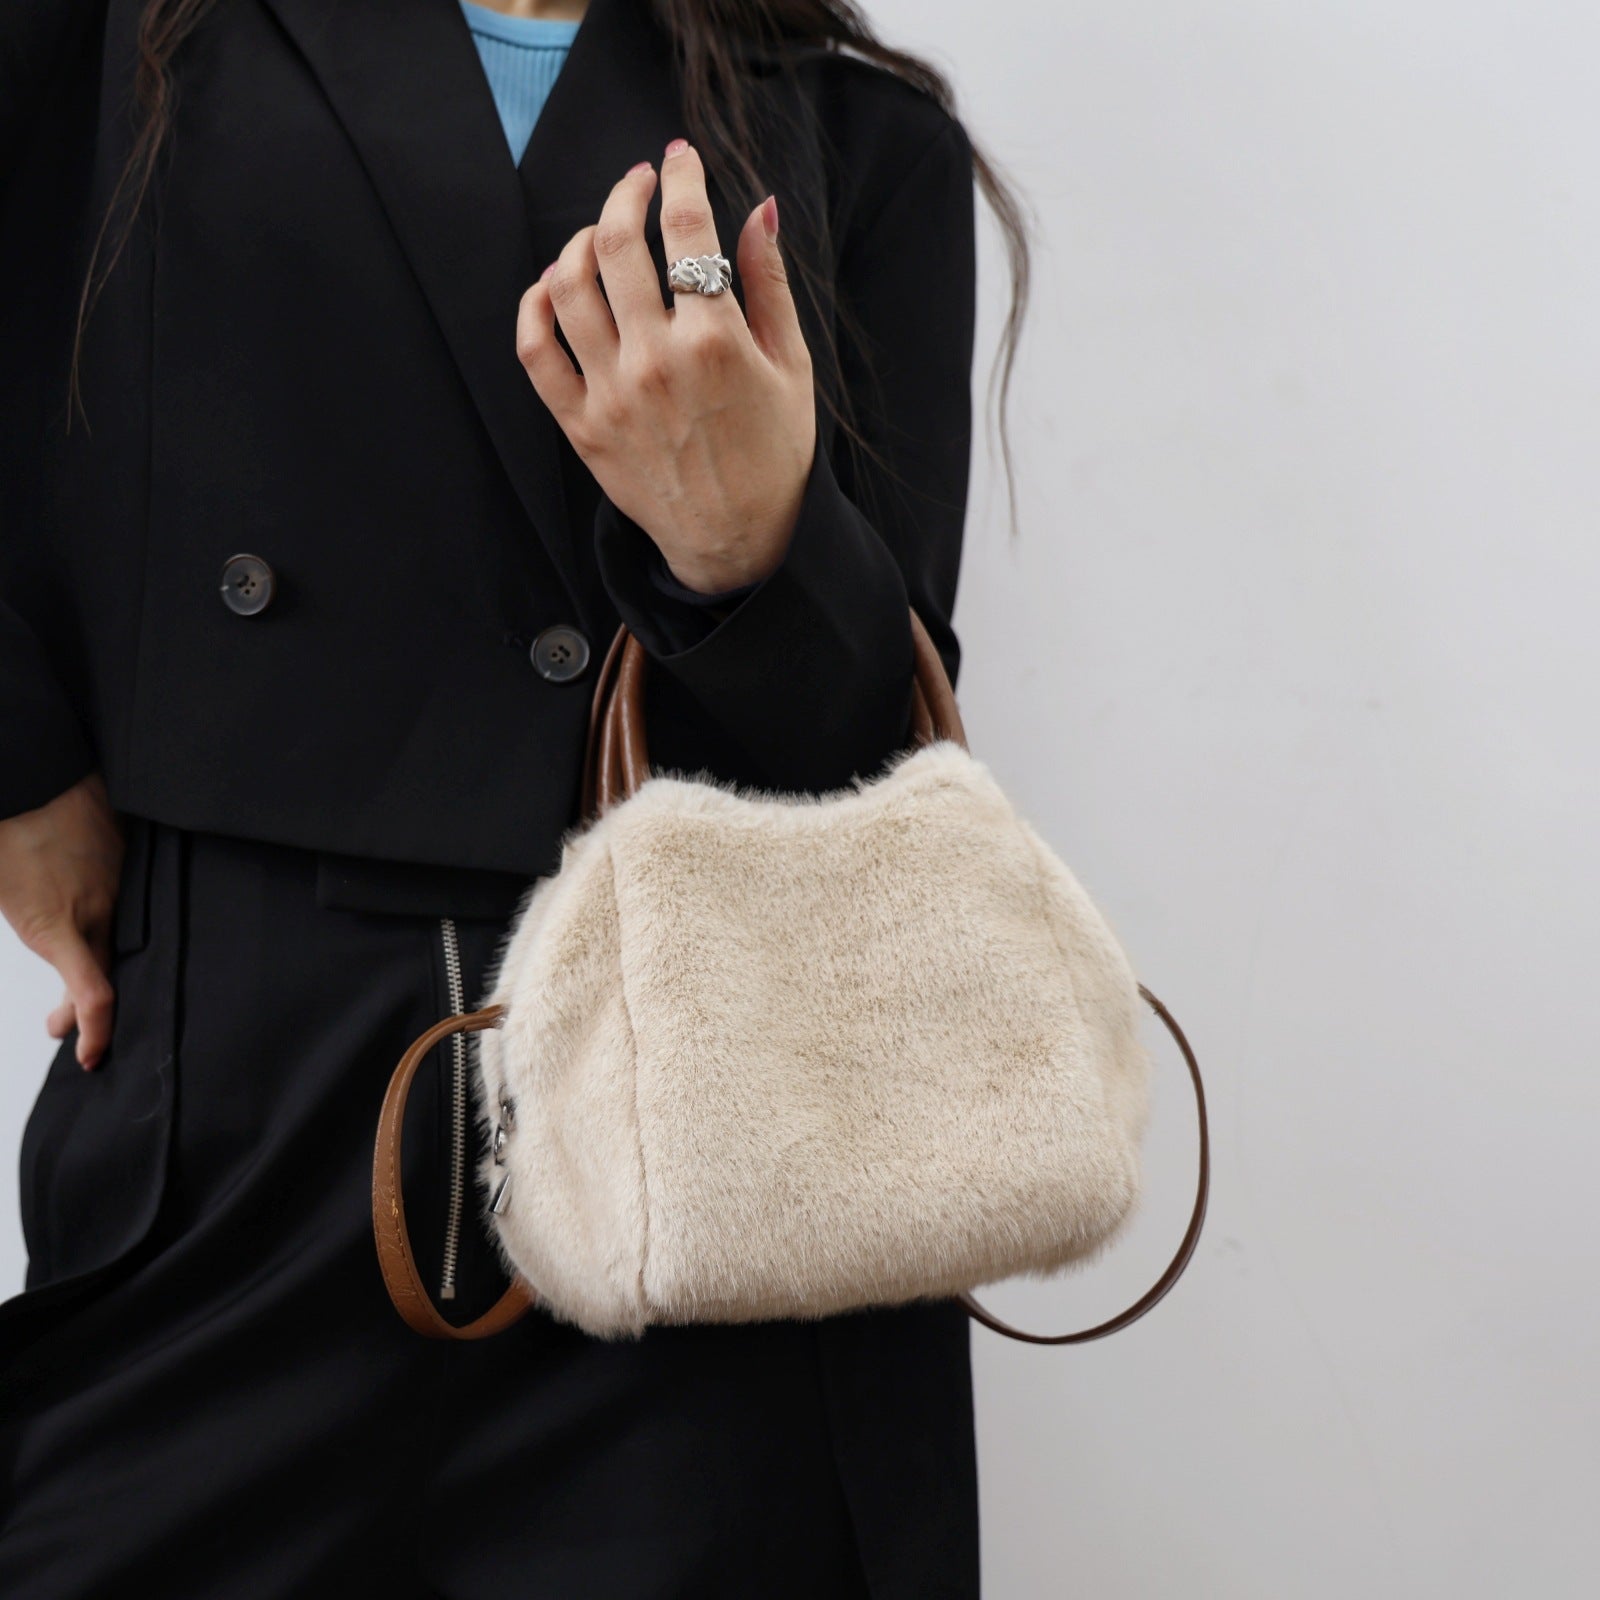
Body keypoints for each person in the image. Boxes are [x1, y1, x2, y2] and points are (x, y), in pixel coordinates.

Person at [0, 0, 1028, 1592]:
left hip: (712, 1190)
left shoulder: (851, 137)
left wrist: (747, 542)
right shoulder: (114, 42)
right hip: (243, 1137)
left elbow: (875, 771)